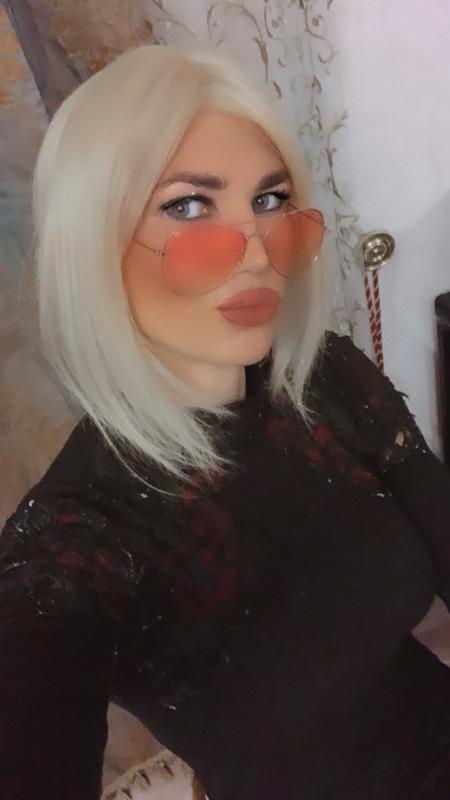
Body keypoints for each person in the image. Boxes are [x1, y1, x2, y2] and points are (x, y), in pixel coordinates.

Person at [0, 41, 449, 800]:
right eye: (188, 205)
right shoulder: (75, 545)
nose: (257, 254)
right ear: (93, 242)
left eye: (270, 200)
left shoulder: (324, 377)